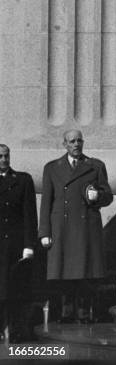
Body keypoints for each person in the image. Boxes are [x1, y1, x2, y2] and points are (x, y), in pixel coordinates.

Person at [39, 130, 113, 321]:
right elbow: (46, 202)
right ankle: (66, 311)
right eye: (72, 141)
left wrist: (98, 196)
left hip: (85, 227)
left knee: (84, 272)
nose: (76, 144)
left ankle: (83, 312)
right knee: (64, 271)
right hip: (61, 227)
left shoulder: (95, 166)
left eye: (79, 140)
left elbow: (108, 195)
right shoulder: (52, 168)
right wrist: (44, 232)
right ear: (64, 144)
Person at [0, 144, 37, 342]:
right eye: (0, 157)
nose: (4, 160)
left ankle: (14, 331)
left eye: (6, 156)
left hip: (14, 246)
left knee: (13, 291)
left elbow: (29, 215)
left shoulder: (22, 180)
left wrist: (29, 245)